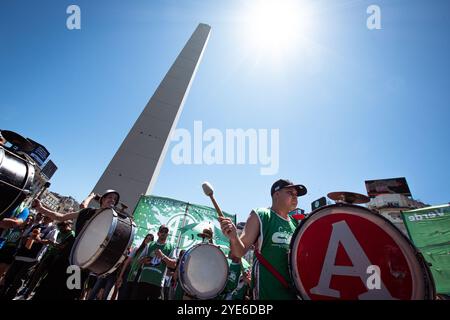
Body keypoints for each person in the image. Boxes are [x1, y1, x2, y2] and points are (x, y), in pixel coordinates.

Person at [219, 179, 307, 300]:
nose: (295, 197)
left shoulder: (295, 223)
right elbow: (239, 252)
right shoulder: (261, 214)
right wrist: (234, 237)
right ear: (276, 194)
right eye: (290, 193)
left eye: (296, 195)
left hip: (292, 294)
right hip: (266, 295)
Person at [30, 189, 120, 300]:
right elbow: (60, 217)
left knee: (70, 292)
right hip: (69, 253)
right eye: (110, 197)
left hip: (83, 263)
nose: (112, 200)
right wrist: (40, 208)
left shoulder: (113, 222)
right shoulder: (87, 211)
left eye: (115, 199)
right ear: (102, 199)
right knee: (51, 284)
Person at [0, 215, 58, 299]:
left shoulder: (53, 229)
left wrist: (39, 240)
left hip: (32, 258)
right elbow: (23, 236)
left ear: (52, 219)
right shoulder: (35, 226)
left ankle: (9, 296)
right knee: (9, 276)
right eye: (45, 216)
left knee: (19, 280)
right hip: (21, 254)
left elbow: (51, 241)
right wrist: (27, 239)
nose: (45, 217)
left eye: (48, 217)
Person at [132, 225, 176, 300]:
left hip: (157, 284)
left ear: (168, 234)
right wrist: (144, 260)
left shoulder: (171, 247)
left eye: (166, 231)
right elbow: (139, 260)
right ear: (158, 233)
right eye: (162, 231)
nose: (163, 233)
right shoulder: (150, 244)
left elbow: (173, 265)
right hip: (144, 281)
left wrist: (162, 256)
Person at [116, 233, 154, 300]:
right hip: (128, 274)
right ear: (144, 239)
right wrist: (120, 276)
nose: (148, 240)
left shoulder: (150, 254)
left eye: (150, 239)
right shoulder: (137, 248)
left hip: (139, 277)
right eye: (147, 238)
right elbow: (126, 262)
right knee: (122, 295)